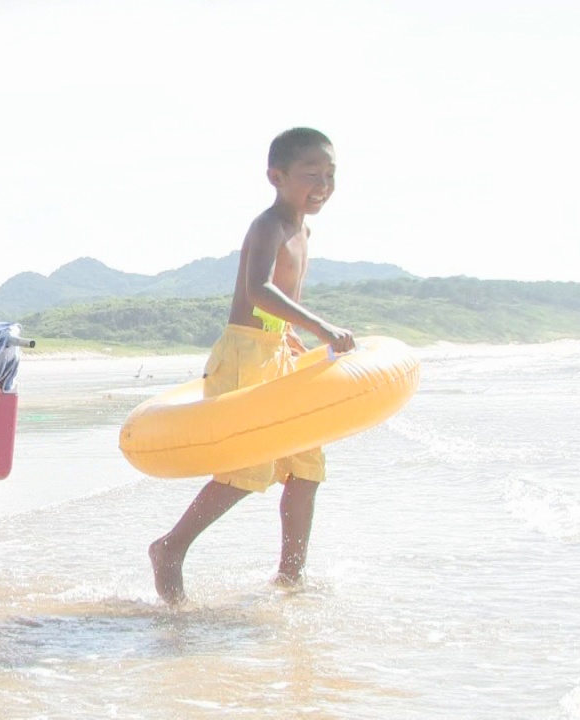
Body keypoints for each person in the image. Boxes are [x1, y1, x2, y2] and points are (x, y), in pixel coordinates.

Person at [148, 127, 357, 605]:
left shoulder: (303, 228)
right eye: (312, 175)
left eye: (330, 175)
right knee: (247, 468)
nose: (323, 184)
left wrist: (292, 337)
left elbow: (278, 304)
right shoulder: (269, 226)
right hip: (244, 354)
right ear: (276, 176)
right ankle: (170, 547)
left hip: (277, 351)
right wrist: (322, 328)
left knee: (306, 468)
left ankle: (290, 578)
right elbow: (259, 290)